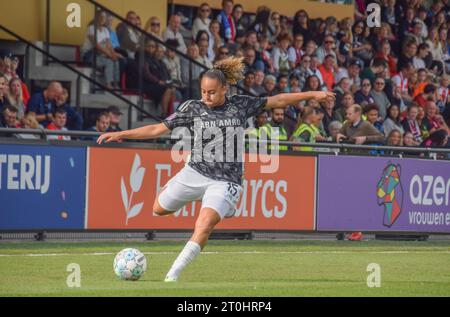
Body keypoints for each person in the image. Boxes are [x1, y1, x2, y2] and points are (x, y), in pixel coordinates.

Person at [97, 57, 334, 282]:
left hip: (225, 180)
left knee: (204, 224)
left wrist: (314, 94)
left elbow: (279, 100)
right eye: (203, 91)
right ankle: (211, 201)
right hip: (194, 171)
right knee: (158, 209)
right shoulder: (192, 107)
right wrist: (122, 133)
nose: (206, 96)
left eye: (211, 92)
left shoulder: (240, 104)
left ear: (224, 90)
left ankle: (172, 275)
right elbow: (157, 129)